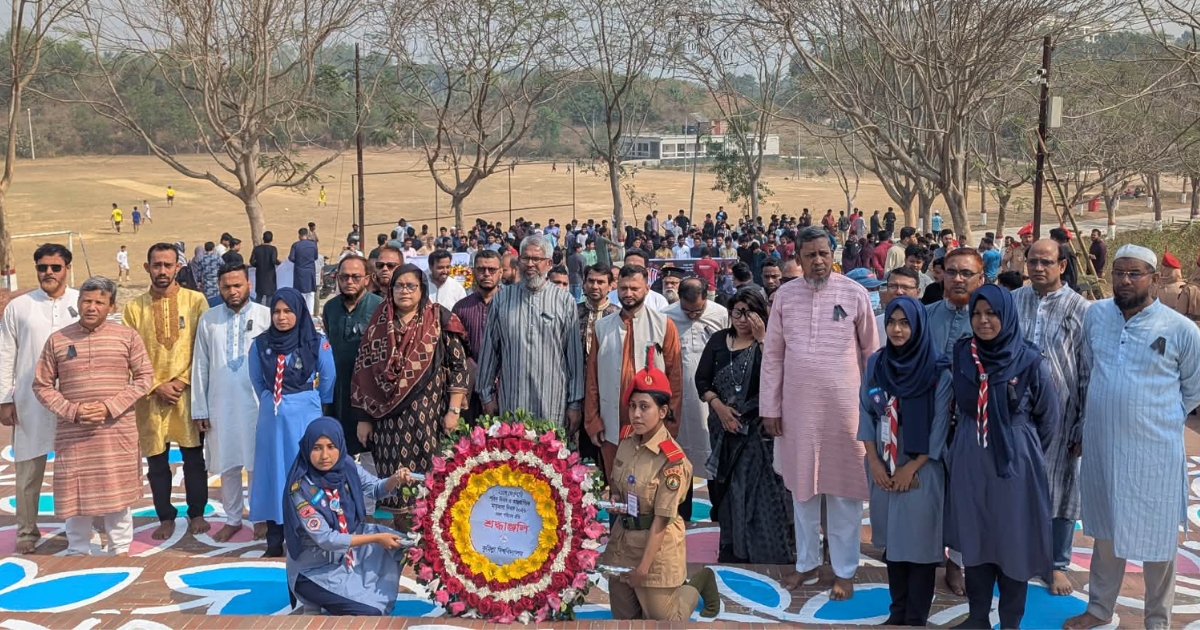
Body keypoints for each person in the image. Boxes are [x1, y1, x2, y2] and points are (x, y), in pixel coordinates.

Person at [1064, 245, 1200, 630]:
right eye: (1118, 273)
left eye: (1134, 274)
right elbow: (1090, 367)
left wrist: (1161, 415)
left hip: (1155, 452)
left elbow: (1193, 387)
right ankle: (1099, 608)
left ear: (1154, 278)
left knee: (1159, 542)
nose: (1124, 280)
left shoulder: (1181, 330)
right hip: (1103, 446)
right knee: (1105, 533)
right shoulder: (1096, 316)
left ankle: (1158, 619)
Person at [760, 226, 879, 599]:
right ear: (798, 258)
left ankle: (844, 570)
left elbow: (870, 355)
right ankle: (807, 565)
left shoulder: (855, 294)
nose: (818, 261)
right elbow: (773, 355)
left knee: (844, 494)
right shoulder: (784, 297)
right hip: (797, 412)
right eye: (810, 255)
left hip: (846, 412)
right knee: (803, 492)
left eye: (824, 253)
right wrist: (770, 407)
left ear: (834, 254)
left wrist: (873, 410)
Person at [945, 284, 1059, 629]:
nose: (983, 321)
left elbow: (1049, 419)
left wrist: (1020, 448)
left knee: (1013, 543)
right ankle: (977, 617)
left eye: (991, 313)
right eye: (977, 314)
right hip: (970, 455)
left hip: (1014, 464)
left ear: (1006, 316)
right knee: (975, 539)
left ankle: (1010, 622)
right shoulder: (963, 353)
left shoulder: (1029, 360)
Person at [32, 277, 152, 556]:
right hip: (74, 433)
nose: (91, 307)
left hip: (115, 429)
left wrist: (110, 407)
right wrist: (73, 411)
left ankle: (120, 547)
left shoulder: (127, 337)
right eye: (87, 301)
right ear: (78, 303)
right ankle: (78, 547)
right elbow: (41, 385)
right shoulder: (58, 340)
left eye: (99, 302)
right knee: (76, 490)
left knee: (117, 489)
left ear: (112, 306)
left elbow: (145, 377)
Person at [601, 352, 720, 620]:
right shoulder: (628, 440)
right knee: (625, 621)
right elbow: (618, 486)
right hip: (622, 543)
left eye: (645, 407)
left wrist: (643, 569)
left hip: (657, 550)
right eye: (632, 406)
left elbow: (661, 521)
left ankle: (699, 581)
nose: (636, 414)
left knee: (664, 622)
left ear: (663, 411)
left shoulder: (672, 461)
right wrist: (615, 498)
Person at [351, 266, 469, 530]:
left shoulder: (438, 318)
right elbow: (363, 369)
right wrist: (364, 418)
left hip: (428, 420)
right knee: (393, 487)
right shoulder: (379, 322)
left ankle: (426, 543)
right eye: (398, 286)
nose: (404, 291)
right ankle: (397, 539)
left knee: (429, 484)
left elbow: (459, 367)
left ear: (422, 289)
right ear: (390, 290)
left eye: (410, 286)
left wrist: (453, 410)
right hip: (386, 424)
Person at [859, 296, 952, 626]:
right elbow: (866, 413)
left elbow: (939, 426)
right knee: (893, 546)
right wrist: (873, 462)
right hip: (884, 466)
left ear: (919, 326)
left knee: (921, 547)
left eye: (905, 323)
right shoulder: (877, 364)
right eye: (892, 323)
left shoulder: (938, 370)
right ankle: (896, 613)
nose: (897, 329)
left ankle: (915, 618)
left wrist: (910, 467)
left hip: (921, 471)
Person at [1013, 238, 1090, 596]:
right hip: (1016, 413)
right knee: (1015, 481)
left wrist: (1081, 424)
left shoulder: (1082, 310)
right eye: (1033, 262)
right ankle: (1015, 551)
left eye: (1046, 262)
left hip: (1062, 412)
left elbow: (1088, 369)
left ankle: (1055, 563)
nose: (1038, 268)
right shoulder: (1014, 302)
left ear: (1062, 265)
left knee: (1061, 485)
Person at [695, 287, 793, 564]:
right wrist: (720, 408)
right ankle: (732, 545)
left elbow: (779, 377)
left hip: (757, 431)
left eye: (749, 313)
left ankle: (764, 548)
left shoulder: (771, 344)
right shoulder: (717, 341)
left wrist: (763, 338)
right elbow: (702, 381)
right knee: (727, 488)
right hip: (722, 428)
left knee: (757, 490)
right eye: (737, 312)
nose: (742, 319)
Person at [122, 243, 210, 541]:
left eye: (168, 265)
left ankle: (196, 512)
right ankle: (166, 516)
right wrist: (156, 385)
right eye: (156, 265)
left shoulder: (196, 301)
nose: (162, 271)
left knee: (194, 458)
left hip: (187, 395)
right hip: (151, 397)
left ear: (178, 267)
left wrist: (182, 381)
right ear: (147, 267)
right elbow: (128, 356)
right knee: (156, 461)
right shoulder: (134, 308)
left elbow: (204, 348)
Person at [284, 418, 416, 615]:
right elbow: (327, 539)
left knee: (400, 544)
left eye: (331, 446)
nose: (325, 455)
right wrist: (377, 539)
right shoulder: (301, 489)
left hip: (346, 554)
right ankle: (315, 597)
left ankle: (350, 594)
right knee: (370, 611)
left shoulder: (346, 465)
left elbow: (375, 488)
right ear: (306, 448)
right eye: (317, 448)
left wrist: (396, 479)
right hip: (314, 570)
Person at [0, 244, 80, 554]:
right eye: (42, 267)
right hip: (30, 399)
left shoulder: (82, 301)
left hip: (74, 400)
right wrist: (5, 399)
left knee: (76, 466)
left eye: (55, 267)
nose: (48, 272)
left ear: (67, 268)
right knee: (28, 467)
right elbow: (6, 353)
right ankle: (26, 530)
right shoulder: (19, 307)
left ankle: (79, 526)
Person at [249, 288, 336, 556]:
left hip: (304, 415)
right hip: (272, 418)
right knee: (272, 473)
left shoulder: (315, 342)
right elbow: (257, 379)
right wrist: (274, 399)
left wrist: (310, 402)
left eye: (288, 311)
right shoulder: (261, 344)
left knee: (302, 472)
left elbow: (328, 377)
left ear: (299, 312)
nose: (282, 317)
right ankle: (274, 539)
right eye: (276, 311)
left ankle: (304, 534)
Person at [191, 262, 272, 542]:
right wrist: (199, 407)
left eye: (238, 285)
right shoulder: (209, 319)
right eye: (226, 286)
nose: (233, 291)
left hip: (257, 404)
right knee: (228, 464)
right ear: (219, 288)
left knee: (257, 463)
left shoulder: (266, 316)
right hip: (220, 404)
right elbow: (200, 365)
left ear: (249, 284)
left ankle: (260, 516)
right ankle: (233, 518)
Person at [585, 264, 684, 479]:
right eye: (623, 288)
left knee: (649, 488)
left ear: (646, 289)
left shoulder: (664, 325)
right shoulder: (603, 327)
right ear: (616, 288)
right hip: (612, 422)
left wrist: (670, 424)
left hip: (652, 425)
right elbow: (593, 378)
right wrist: (592, 421)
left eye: (634, 288)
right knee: (615, 487)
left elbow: (674, 378)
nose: (628, 294)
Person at [476, 235, 584, 428]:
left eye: (537, 259)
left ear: (549, 263)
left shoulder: (564, 301)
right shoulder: (502, 300)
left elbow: (573, 357)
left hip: (553, 404)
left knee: (552, 455)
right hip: (511, 401)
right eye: (525, 258)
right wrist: (486, 396)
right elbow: (490, 351)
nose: (530, 264)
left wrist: (574, 403)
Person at [663, 278, 728, 521]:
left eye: (697, 311)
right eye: (687, 311)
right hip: (680, 403)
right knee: (680, 460)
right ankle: (682, 515)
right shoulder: (666, 316)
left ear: (707, 298)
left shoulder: (720, 314)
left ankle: (719, 514)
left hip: (713, 401)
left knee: (714, 456)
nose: (692, 316)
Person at [321, 256, 383, 458]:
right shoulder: (330, 308)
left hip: (369, 396)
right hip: (338, 394)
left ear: (367, 279)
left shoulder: (380, 307)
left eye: (356, 277)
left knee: (369, 457)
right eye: (344, 277)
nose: (349, 282)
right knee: (338, 451)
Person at [289, 228, 320, 313]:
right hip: (310, 271)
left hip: (300, 271)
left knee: (301, 293)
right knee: (311, 293)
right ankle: (310, 313)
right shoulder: (313, 244)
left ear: (299, 235)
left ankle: (301, 312)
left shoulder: (296, 245)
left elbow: (291, 258)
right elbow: (315, 257)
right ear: (307, 234)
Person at [250, 231, 280, 305]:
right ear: (271, 239)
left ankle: (257, 310)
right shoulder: (273, 249)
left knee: (259, 295)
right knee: (269, 296)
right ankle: (267, 311)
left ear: (263, 238)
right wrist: (279, 262)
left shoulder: (257, 249)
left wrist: (258, 265)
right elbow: (273, 261)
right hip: (270, 275)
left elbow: (252, 261)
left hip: (260, 274)